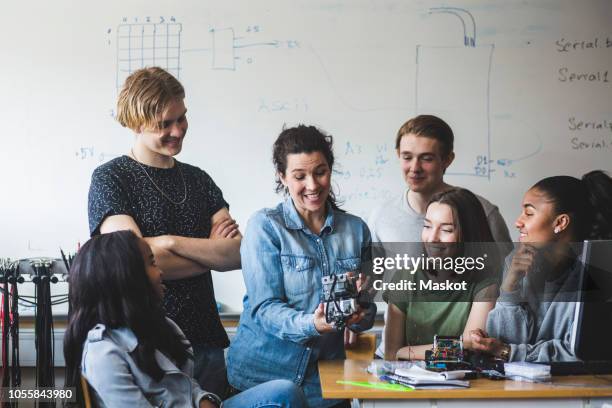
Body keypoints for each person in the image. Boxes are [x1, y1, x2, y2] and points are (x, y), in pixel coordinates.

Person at [87, 67, 240, 396]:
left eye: (181, 118)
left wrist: (168, 244)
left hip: (205, 340)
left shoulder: (199, 180)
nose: (178, 130)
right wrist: (209, 253)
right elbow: (130, 262)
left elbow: (236, 254)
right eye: (165, 124)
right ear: (137, 123)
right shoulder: (112, 179)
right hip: (145, 346)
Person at [64, 230, 307, 408]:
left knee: (285, 392)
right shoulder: (102, 353)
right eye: (151, 263)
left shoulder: (163, 326)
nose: (160, 272)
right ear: (126, 278)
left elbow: (187, 387)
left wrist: (205, 401)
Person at [226, 125, 377, 408]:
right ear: (282, 177)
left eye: (320, 172)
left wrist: (360, 310)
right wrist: (313, 324)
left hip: (326, 386)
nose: (312, 185)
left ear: (330, 169)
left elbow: (368, 315)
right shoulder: (266, 227)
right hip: (263, 378)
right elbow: (265, 309)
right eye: (299, 176)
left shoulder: (357, 231)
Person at [369, 114, 512, 357]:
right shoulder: (381, 216)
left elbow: (506, 286)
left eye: (426, 158)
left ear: (447, 160)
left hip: (465, 360)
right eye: (407, 157)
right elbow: (368, 286)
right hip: (400, 359)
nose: (414, 168)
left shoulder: (482, 214)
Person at [470, 170, 612, 362]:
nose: (517, 222)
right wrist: (510, 288)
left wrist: (508, 351)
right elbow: (501, 343)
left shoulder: (597, 273)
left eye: (529, 213)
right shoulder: (516, 262)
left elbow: (578, 352)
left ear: (560, 222)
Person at [384, 188, 500, 360]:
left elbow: (471, 349)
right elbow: (392, 354)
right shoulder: (405, 276)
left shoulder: (485, 281)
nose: (432, 238)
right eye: (427, 226)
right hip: (410, 382)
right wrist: (460, 344)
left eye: (446, 230)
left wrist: (406, 352)